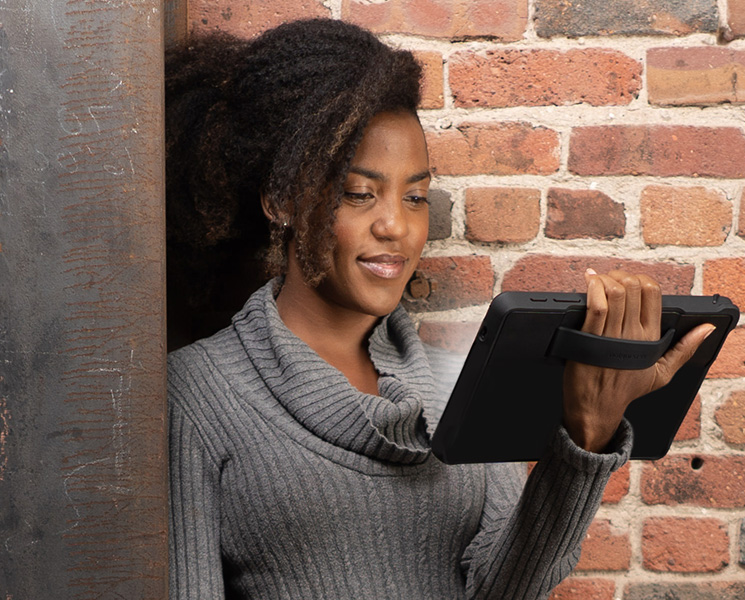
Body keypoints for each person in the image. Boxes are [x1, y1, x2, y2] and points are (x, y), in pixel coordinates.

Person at [165, 18, 714, 600]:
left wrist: (587, 437)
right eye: (359, 193)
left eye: (416, 196)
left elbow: (504, 589)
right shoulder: (198, 396)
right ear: (280, 200)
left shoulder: (460, 381)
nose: (396, 227)